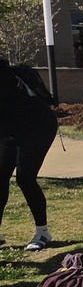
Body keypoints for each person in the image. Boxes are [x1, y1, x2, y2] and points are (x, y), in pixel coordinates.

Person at [0, 58, 59, 250]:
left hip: (37, 126)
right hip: (11, 128)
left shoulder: (3, 75)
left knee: (25, 178)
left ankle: (43, 233)